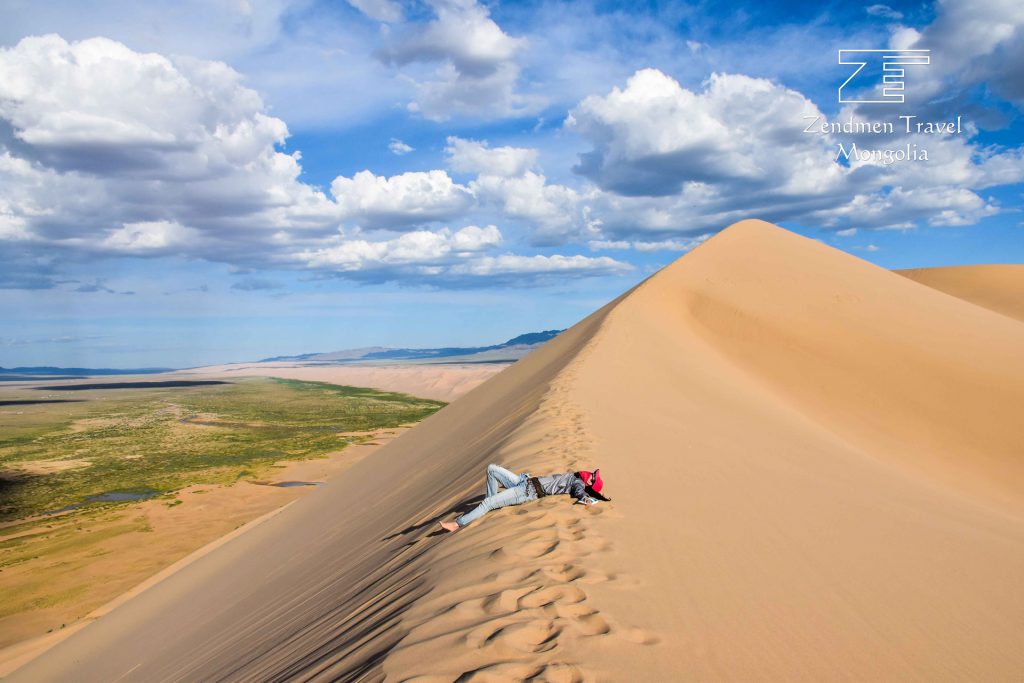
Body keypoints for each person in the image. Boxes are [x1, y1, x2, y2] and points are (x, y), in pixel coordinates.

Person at [439, 463, 610, 532]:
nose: (591, 474)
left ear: (589, 484)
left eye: (593, 477)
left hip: (527, 492)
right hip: (523, 482)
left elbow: (580, 494)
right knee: (492, 468)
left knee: (487, 502)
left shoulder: (578, 484)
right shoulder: (576, 476)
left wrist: (587, 499)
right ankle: (493, 503)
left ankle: (457, 524)